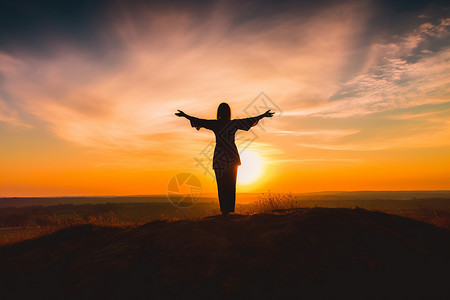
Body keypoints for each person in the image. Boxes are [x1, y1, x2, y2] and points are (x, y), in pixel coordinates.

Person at [175, 102, 274, 219]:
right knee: (231, 185)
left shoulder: (216, 124)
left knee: (221, 185)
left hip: (220, 158)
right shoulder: (233, 124)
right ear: (229, 113)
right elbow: (249, 120)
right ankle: (229, 210)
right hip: (232, 157)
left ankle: (224, 212)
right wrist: (263, 115)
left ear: (219, 113)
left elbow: (199, 121)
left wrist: (185, 115)